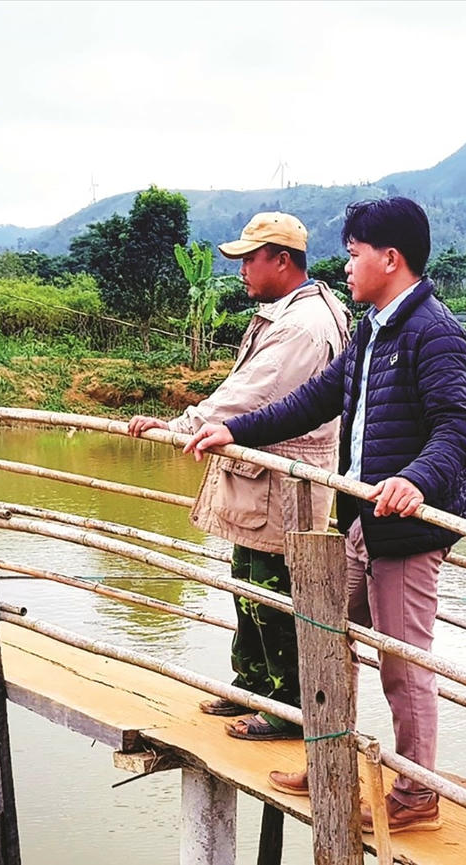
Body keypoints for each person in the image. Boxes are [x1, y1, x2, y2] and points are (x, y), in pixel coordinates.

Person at [183, 197, 466, 833]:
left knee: (403, 664)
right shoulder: (372, 328)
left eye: (353, 255)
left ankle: (415, 792)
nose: (345, 268)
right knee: (324, 637)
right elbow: (313, 401)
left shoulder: (437, 334)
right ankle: (329, 765)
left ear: (389, 258)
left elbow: (458, 429)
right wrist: (232, 430)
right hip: (359, 519)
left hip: (405, 526)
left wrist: (414, 480)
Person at [128, 211, 349, 741]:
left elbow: (248, 394)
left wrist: (184, 423)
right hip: (262, 474)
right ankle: (251, 684)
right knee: (247, 582)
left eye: (250, 259)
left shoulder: (302, 325)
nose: (243, 270)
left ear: (282, 260)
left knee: (272, 593)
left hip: (283, 482)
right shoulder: (296, 313)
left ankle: (285, 706)